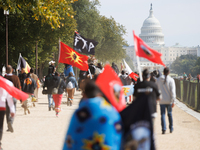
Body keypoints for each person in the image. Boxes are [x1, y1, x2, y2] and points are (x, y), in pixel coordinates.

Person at [156, 67, 176, 134]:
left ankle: (163, 129)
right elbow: (172, 91)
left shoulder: (158, 80)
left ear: (163, 72)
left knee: (163, 114)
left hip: (161, 100)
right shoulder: (171, 80)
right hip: (169, 100)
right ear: (169, 72)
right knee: (169, 114)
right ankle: (171, 128)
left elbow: (156, 89)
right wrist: (173, 100)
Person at [4, 65, 20, 133]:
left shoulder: (4, 78)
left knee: (7, 112)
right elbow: (18, 88)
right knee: (13, 111)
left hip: (5, 97)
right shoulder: (16, 78)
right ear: (12, 70)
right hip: (13, 97)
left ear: (6, 71)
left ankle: (8, 126)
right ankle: (11, 121)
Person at [0, 79, 15, 150]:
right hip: (1, 106)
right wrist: (12, 109)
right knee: (0, 126)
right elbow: (9, 97)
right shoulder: (7, 82)